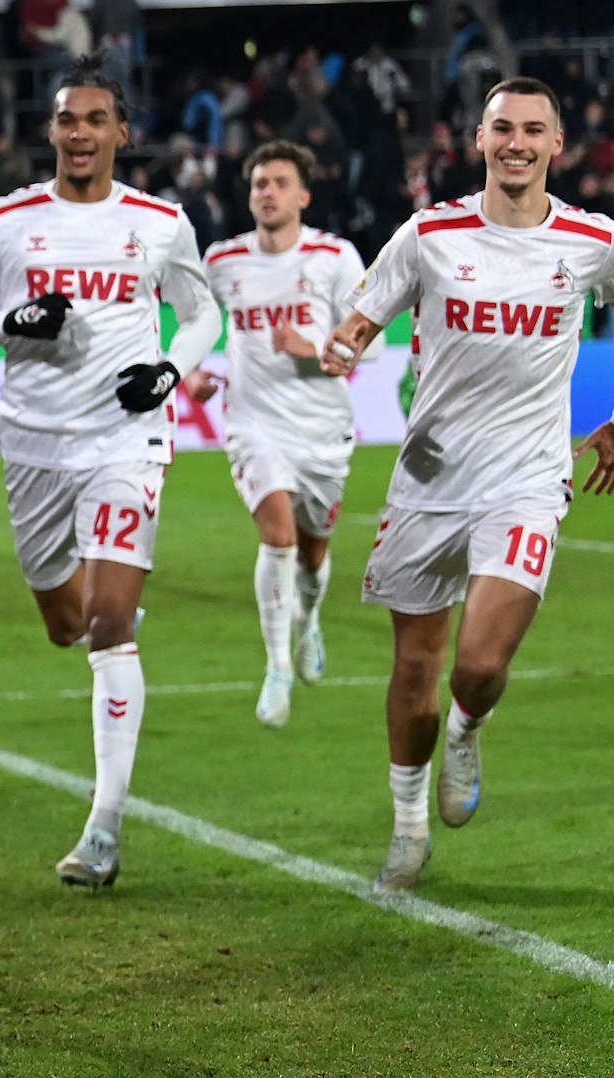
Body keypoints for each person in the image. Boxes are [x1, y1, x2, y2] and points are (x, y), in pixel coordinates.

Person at [319, 78, 614, 892]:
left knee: (476, 664)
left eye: (533, 130)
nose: (517, 143)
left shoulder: (592, 239)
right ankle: (408, 827)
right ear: (478, 139)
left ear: (557, 144)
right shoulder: (429, 234)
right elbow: (367, 312)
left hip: (528, 479)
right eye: (503, 128)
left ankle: (467, 728)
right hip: (429, 479)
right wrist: (348, 341)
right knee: (412, 669)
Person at [0, 51, 221, 891]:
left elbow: (202, 312)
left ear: (121, 133)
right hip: (34, 445)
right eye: (68, 118)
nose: (80, 132)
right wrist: (13, 323)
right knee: (65, 622)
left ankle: (103, 827)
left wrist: (171, 369)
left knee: (108, 623)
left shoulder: (160, 222)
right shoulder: (6, 220)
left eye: (96, 119)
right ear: (51, 129)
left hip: (125, 440)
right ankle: (108, 606)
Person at [183, 141, 371, 728]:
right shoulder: (222, 261)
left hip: (323, 430)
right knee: (279, 535)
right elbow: (189, 321)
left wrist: (310, 349)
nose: (268, 192)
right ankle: (277, 666)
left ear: (303, 196)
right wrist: (189, 371)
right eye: (260, 183)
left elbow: (370, 344)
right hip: (253, 425)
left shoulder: (335, 258)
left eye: (280, 183)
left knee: (313, 554)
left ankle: (308, 621)